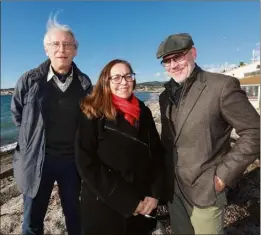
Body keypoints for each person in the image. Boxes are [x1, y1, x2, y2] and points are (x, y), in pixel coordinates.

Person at [156, 33, 260, 234]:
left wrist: (222, 176)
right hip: (174, 191)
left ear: (193, 53)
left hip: (206, 189)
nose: (172, 65)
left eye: (178, 57)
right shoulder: (164, 97)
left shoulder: (221, 86)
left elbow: (255, 131)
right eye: (167, 61)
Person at [11, 15, 92, 235]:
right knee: (31, 221)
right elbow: (17, 113)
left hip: (71, 162)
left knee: (75, 216)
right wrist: (32, 140)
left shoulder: (84, 84)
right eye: (55, 44)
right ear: (46, 49)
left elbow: (89, 121)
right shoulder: (29, 80)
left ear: (75, 50)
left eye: (67, 44)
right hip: (37, 160)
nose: (61, 49)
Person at [75, 59, 164, 235]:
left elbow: (157, 154)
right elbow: (85, 163)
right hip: (105, 205)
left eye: (127, 76)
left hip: (143, 202)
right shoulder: (93, 111)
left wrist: (155, 194)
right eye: (116, 77)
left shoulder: (143, 111)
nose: (123, 82)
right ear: (105, 82)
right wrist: (129, 203)